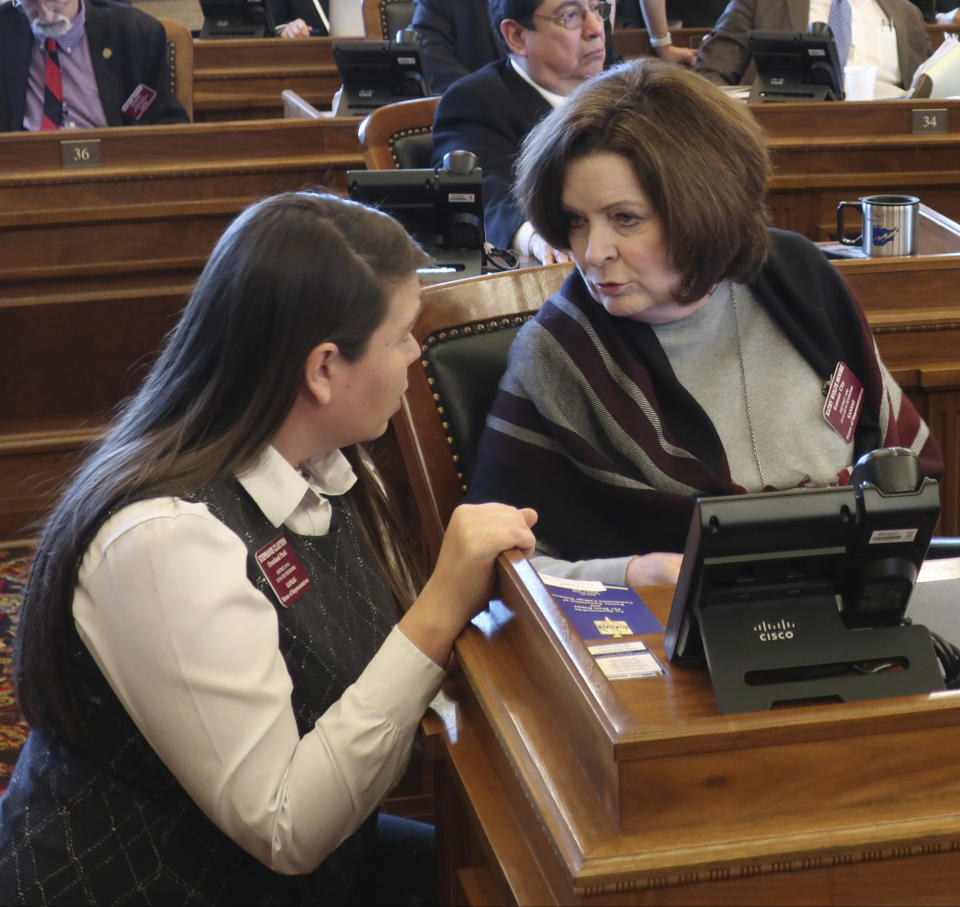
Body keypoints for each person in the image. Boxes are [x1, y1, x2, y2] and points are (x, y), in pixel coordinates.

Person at [0, 192, 537, 904]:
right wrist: (438, 609)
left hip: (299, 864)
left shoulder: (327, 462)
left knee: (519, 876)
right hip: (155, 882)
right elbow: (287, 827)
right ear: (322, 369)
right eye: (403, 334)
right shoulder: (165, 541)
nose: (417, 354)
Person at [465, 59, 942, 589]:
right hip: (668, 647)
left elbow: (903, 474)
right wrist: (628, 574)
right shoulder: (561, 352)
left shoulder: (800, 277)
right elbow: (492, 563)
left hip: (857, 605)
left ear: (704, 209)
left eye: (626, 219)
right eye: (576, 220)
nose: (592, 252)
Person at [413, 0, 696, 94]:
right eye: (570, 16)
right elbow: (432, 61)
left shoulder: (581, 8)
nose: (595, 29)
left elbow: (609, 65)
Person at [0, 0, 189, 131]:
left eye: (56, 1)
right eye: (32, 3)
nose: (47, 17)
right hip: (26, 172)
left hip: (113, 169)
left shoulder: (136, 33)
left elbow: (169, 123)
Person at [695, 0, 933, 99]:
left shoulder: (906, 13)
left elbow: (930, 90)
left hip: (889, 132)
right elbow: (711, 76)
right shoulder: (762, 3)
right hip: (789, 131)